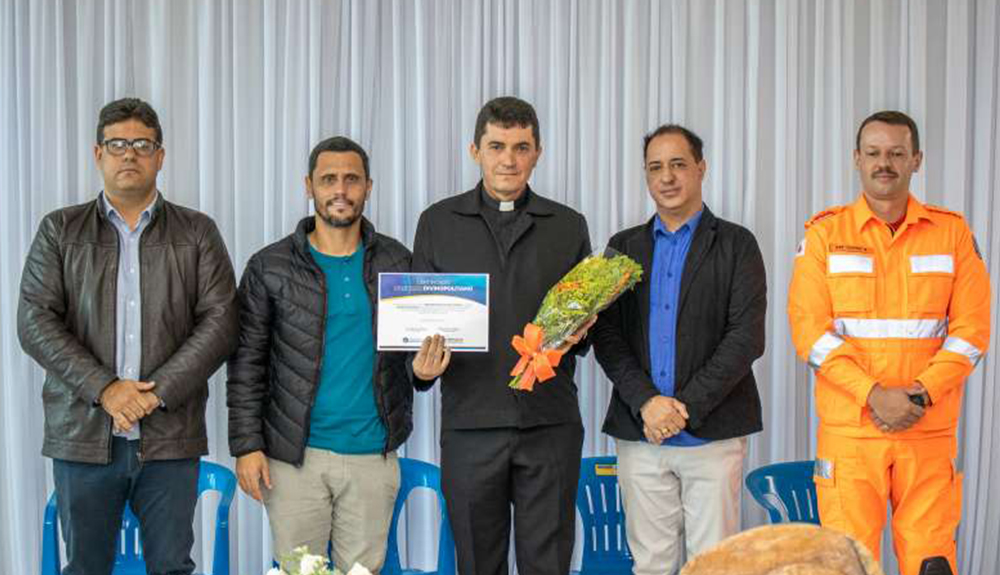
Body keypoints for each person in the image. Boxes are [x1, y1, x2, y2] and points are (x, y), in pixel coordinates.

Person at [17, 97, 239, 575]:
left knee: (172, 567)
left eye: (142, 144)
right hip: (82, 436)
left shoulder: (197, 232)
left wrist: (153, 395)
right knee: (86, 568)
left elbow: (221, 324)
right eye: (117, 144)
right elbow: (35, 322)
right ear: (98, 154)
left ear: (161, 156)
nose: (130, 154)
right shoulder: (60, 230)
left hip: (170, 438)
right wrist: (106, 389)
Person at [788, 110, 991, 575]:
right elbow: (810, 333)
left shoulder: (952, 233)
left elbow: (972, 332)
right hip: (851, 433)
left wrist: (919, 394)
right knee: (847, 565)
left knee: (931, 563)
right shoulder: (824, 234)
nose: (885, 163)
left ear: (916, 159)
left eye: (897, 153)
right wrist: (874, 394)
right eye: (874, 153)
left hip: (927, 430)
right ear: (857, 159)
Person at [410, 96, 593, 575]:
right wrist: (421, 371)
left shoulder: (568, 225)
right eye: (496, 146)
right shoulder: (437, 222)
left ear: (538, 153)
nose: (508, 159)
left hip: (550, 425)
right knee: (476, 565)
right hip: (470, 428)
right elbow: (421, 323)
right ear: (475, 151)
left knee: (548, 566)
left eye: (521, 147)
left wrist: (580, 332)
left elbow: (584, 333)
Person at [227, 136, 424, 572]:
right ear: (309, 185)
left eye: (351, 179)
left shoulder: (399, 261)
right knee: (300, 572)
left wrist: (425, 372)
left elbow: (412, 355)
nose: (340, 189)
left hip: (372, 453)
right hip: (293, 457)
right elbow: (245, 363)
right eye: (328, 179)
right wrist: (247, 446)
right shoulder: (269, 266)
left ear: (368, 187)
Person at [591, 124, 767, 574]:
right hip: (641, 432)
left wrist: (681, 409)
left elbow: (746, 337)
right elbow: (607, 338)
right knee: (650, 564)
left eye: (677, 164)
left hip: (713, 433)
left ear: (701, 168)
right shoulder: (622, 248)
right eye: (655, 167)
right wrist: (648, 403)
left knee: (714, 565)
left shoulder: (737, 244)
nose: (666, 177)